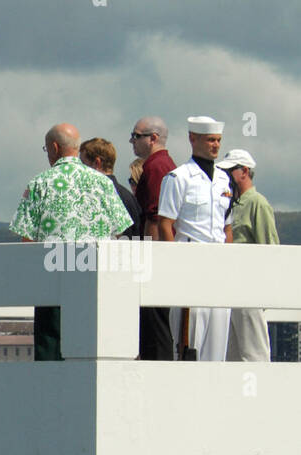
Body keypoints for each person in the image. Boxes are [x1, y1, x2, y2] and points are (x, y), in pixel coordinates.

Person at [10, 124, 132, 361]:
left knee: (51, 354)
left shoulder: (39, 183)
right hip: (93, 280)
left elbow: (26, 240)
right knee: (93, 352)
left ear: (54, 148)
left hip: (52, 281)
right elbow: (119, 232)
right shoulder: (104, 183)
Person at [157, 116, 233, 361]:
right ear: (193, 138)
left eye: (218, 140)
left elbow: (227, 227)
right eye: (210, 139)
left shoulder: (224, 179)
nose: (215, 145)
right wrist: (174, 265)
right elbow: (165, 224)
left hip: (220, 268)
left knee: (217, 345)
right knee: (189, 343)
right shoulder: (179, 178)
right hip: (190, 264)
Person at [216, 148, 273, 362]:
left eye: (230, 170)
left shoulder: (258, 203)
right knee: (232, 353)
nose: (226, 176)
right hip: (232, 287)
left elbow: (269, 248)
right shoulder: (231, 203)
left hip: (250, 286)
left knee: (254, 351)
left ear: (244, 172)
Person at [130, 116, 177, 359]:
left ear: (153, 138)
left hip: (153, 256)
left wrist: (150, 259)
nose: (132, 141)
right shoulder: (164, 164)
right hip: (157, 253)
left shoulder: (156, 166)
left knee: (154, 325)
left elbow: (157, 218)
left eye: (136, 136)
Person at [80, 137, 142, 239]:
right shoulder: (128, 196)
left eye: (83, 164)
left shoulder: (95, 195)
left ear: (97, 162)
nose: (80, 169)